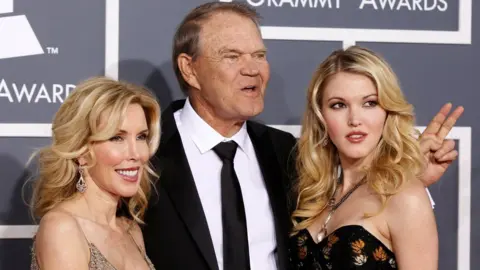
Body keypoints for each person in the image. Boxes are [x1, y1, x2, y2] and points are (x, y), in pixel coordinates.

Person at [142, 2, 463, 270]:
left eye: (259, 55)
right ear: (190, 69)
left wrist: (410, 181)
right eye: (232, 56)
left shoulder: (283, 154)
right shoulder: (143, 155)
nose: (253, 69)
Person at [288, 46, 461, 269]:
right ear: (321, 116)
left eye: (369, 103)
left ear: (388, 112)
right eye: (338, 105)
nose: (354, 119)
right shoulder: (312, 196)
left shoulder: (405, 197)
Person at [29, 77, 161, 270]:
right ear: (82, 152)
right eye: (117, 138)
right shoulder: (62, 228)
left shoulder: (130, 230)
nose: (137, 154)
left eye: (141, 137)